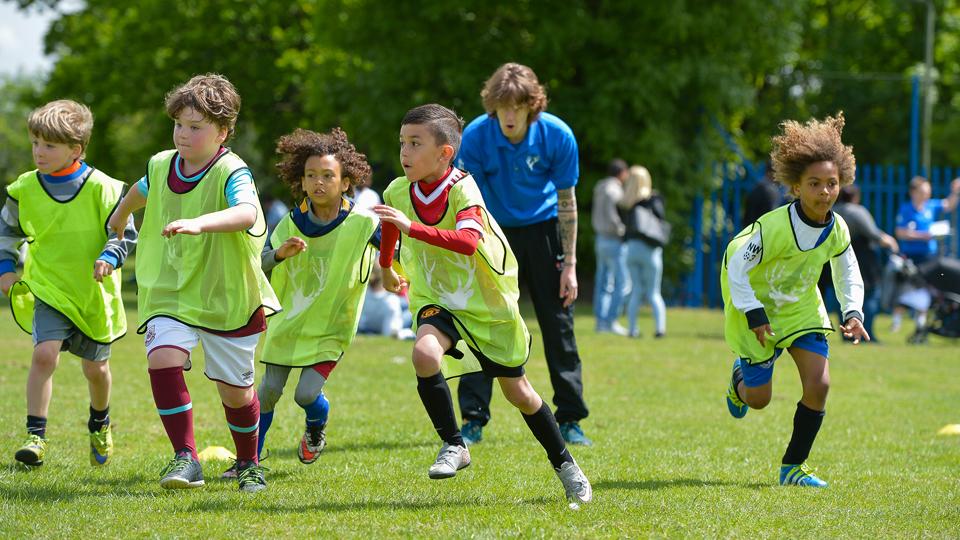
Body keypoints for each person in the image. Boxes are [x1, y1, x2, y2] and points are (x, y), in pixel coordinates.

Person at [373, 103, 591, 505]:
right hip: (438, 298)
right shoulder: (398, 190)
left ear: (445, 153)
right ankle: (454, 444)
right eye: (402, 142)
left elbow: (468, 240)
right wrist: (387, 265)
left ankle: (565, 464)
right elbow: (390, 220)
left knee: (519, 393)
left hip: (485, 302)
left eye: (415, 143)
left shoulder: (462, 188)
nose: (404, 152)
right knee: (424, 353)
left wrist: (412, 229)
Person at [108, 74, 280, 493]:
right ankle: (186, 458)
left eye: (195, 127)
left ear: (222, 132)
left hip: (228, 295)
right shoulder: (163, 162)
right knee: (162, 359)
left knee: (236, 394)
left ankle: (248, 463)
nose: (183, 134)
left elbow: (245, 213)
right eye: (179, 125)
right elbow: (143, 188)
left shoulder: (231, 170)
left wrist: (200, 224)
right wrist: (120, 216)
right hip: (172, 290)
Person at [722, 113, 868, 488]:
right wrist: (753, 311)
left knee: (819, 385)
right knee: (758, 400)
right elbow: (736, 266)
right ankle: (740, 379)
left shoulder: (837, 229)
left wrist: (852, 310)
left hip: (802, 308)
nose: (824, 192)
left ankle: (793, 468)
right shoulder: (772, 228)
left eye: (831, 184)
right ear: (796, 186)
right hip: (757, 310)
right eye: (815, 183)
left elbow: (847, 270)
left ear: (842, 184)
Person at [223, 127, 381, 473]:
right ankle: (248, 461)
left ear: (345, 182)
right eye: (311, 175)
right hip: (289, 323)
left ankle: (315, 429)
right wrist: (279, 253)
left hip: (331, 325)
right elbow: (259, 264)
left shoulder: (363, 223)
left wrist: (395, 271)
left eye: (328, 176)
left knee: (306, 395)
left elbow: (396, 252)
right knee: (267, 392)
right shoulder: (289, 222)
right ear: (302, 179)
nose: (318, 182)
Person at [455, 62, 591, 446]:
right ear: (492, 106)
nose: (510, 115)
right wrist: (469, 251)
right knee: (481, 323)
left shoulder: (557, 135)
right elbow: (468, 201)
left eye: (518, 107)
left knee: (558, 325)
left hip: (545, 231)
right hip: (492, 231)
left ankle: (570, 419)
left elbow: (568, 202)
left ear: (532, 107)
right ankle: (473, 419)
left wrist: (571, 265)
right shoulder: (477, 138)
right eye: (503, 107)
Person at [0, 100, 136, 467]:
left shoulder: (105, 188)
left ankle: (100, 422)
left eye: (49, 146)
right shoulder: (23, 189)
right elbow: (6, 233)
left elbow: (125, 234)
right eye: (35, 143)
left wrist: (110, 256)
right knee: (44, 355)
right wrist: (6, 268)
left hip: (93, 294)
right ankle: (35, 437)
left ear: (75, 150)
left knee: (96, 370)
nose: (38, 152)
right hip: (48, 288)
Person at [891, 176, 960, 332]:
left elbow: (949, 205)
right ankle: (896, 321)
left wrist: (955, 191)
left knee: (927, 290)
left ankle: (921, 324)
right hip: (912, 256)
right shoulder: (906, 209)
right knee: (909, 289)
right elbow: (900, 232)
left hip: (930, 258)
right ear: (913, 192)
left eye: (928, 192)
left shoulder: (930, 206)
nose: (927, 195)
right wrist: (924, 235)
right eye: (923, 192)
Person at [831, 185, 898, 340]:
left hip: (837, 256)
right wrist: (890, 242)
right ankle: (867, 333)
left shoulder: (833, 211)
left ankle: (846, 333)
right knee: (870, 294)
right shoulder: (857, 211)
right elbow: (873, 233)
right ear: (856, 197)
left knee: (840, 294)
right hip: (862, 257)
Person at [618, 165, 667, 338]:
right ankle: (660, 329)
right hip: (650, 250)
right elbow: (661, 221)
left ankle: (632, 329)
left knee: (636, 290)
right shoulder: (654, 200)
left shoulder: (626, 203)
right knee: (653, 292)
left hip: (631, 249)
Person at [592, 158, 629, 334]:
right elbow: (613, 216)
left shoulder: (599, 187)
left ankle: (600, 323)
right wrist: (622, 230)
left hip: (599, 239)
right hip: (613, 240)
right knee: (622, 283)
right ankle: (611, 321)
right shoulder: (613, 190)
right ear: (621, 173)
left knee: (603, 282)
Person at [358, 265, 414, 339]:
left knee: (405, 305)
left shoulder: (363, 293)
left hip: (369, 324)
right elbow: (391, 331)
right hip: (387, 325)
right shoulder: (391, 299)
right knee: (411, 312)